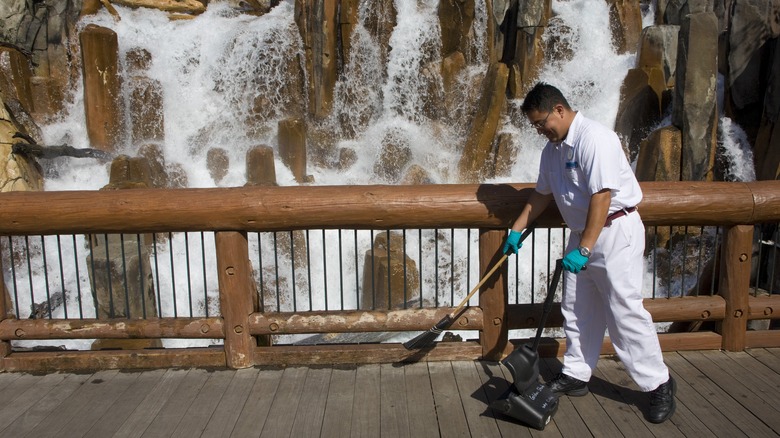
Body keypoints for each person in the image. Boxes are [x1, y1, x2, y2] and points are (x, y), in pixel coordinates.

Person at [502, 82, 676, 424]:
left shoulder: (594, 138)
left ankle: (659, 384)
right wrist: (517, 228)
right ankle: (578, 373)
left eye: (541, 123)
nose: (539, 130)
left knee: (624, 312)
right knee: (576, 308)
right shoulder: (552, 150)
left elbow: (602, 197)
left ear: (559, 110)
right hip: (584, 234)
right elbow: (541, 194)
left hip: (614, 231)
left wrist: (584, 248)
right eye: (535, 126)